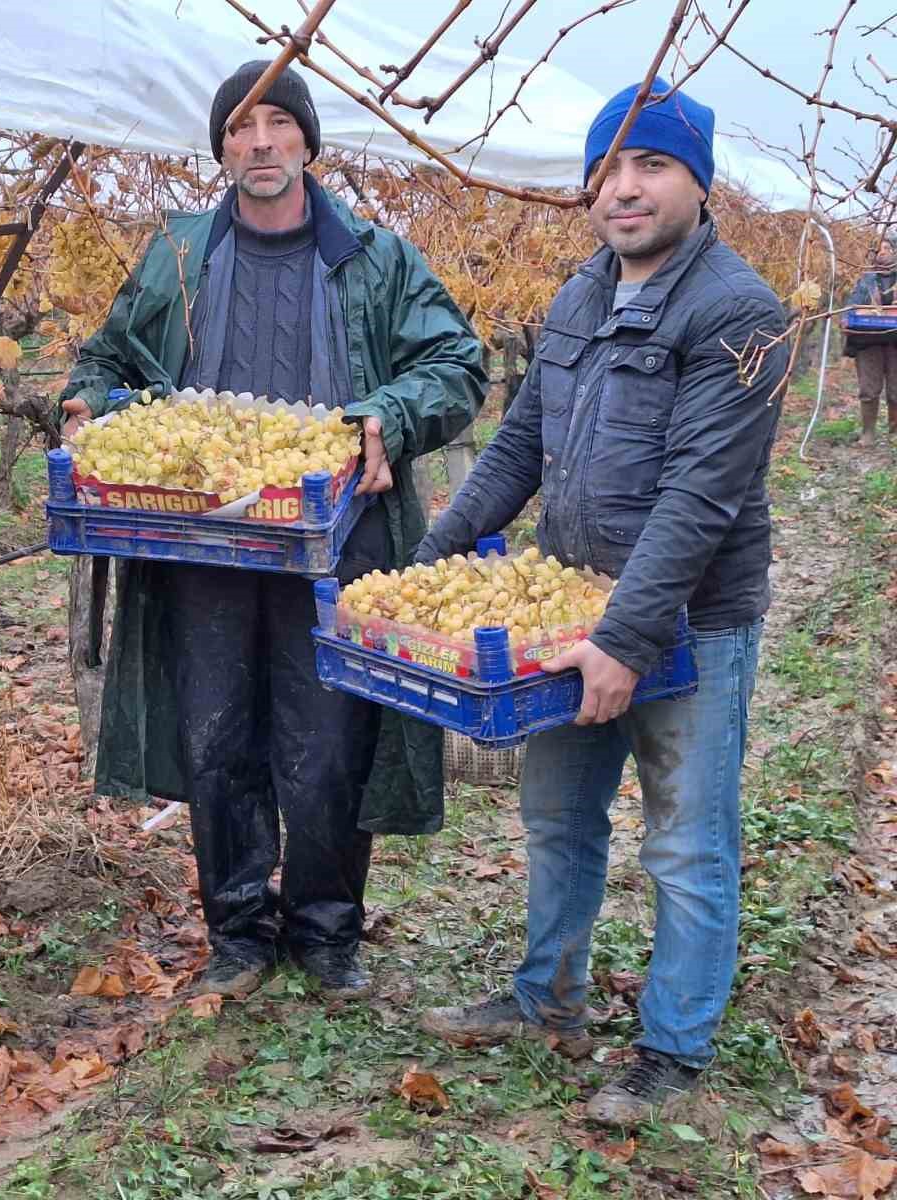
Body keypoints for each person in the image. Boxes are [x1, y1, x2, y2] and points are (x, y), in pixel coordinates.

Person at [58, 60, 485, 1000]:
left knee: (329, 739)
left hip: (337, 542)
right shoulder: (178, 258)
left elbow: (458, 362)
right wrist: (90, 404)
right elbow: (106, 356)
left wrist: (390, 416)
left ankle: (328, 933)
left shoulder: (375, 259)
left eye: (276, 125)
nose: (259, 144)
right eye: (240, 129)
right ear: (220, 149)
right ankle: (240, 931)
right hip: (202, 543)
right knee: (216, 735)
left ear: (306, 141)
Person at [414, 80, 788, 1124]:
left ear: (697, 184)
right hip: (565, 615)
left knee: (685, 840)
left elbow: (697, 495)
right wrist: (428, 557)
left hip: (686, 627)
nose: (623, 188)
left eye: (651, 165)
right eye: (608, 167)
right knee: (558, 818)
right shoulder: (580, 295)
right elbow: (520, 447)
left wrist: (624, 636)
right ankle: (547, 997)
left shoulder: (742, 315)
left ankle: (671, 1051)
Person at [846, 235, 897, 446]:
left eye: (888, 248)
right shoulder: (865, 280)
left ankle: (895, 433)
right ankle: (868, 433)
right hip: (868, 340)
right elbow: (852, 305)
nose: (882, 252)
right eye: (879, 249)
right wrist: (847, 318)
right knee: (868, 388)